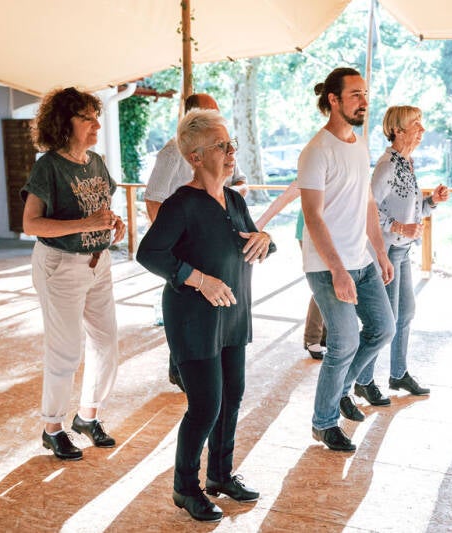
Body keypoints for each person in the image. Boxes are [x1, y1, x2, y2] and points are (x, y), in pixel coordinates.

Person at [137, 109, 274, 521]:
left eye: (231, 144)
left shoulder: (233, 199)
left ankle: (219, 475)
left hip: (232, 315)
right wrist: (198, 278)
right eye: (221, 146)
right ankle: (185, 487)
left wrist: (266, 238)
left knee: (232, 399)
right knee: (205, 406)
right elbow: (150, 253)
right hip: (193, 319)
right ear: (195, 158)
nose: (232, 152)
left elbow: (253, 243)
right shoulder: (182, 204)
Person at [21, 87, 125, 460]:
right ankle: (53, 428)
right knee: (65, 351)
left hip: (99, 263)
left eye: (96, 116)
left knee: (107, 343)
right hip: (60, 266)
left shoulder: (95, 162)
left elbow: (99, 206)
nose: (97, 123)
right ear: (65, 123)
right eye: (87, 117)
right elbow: (31, 223)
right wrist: (85, 224)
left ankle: (88, 416)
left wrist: (114, 223)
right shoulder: (49, 165)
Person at [299, 67, 396, 452]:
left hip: (362, 259)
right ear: (333, 100)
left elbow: (367, 202)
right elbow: (313, 216)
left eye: (365, 94)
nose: (364, 101)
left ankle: (340, 390)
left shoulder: (359, 144)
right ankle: (323, 423)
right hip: (327, 265)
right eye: (355, 94)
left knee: (383, 329)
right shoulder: (316, 152)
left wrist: (380, 250)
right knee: (343, 341)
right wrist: (339, 271)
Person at [144, 93, 248, 391]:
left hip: (216, 234)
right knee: (189, 313)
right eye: (208, 115)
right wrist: (173, 240)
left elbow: (240, 182)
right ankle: (181, 367)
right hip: (185, 243)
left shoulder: (224, 151)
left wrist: (232, 201)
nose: (217, 120)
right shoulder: (170, 154)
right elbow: (153, 200)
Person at [359, 105, 449, 397]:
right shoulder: (387, 165)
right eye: (416, 124)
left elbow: (413, 210)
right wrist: (400, 227)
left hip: (403, 250)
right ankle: (363, 381)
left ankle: (398, 374)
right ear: (397, 130)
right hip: (385, 253)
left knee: (406, 313)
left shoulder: (407, 163)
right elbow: (368, 211)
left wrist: (432, 201)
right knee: (384, 321)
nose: (422, 129)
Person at [255, 182, 327, 360]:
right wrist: (257, 225)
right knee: (324, 284)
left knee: (331, 284)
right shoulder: (313, 165)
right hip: (311, 233)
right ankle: (312, 338)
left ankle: (326, 334)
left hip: (333, 234)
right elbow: (284, 199)